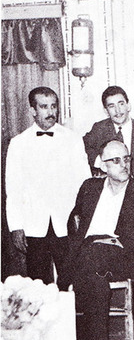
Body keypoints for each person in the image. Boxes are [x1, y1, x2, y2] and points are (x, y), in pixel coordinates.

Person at [59, 140, 134, 340]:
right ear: (103, 164)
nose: (124, 165)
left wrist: (116, 242)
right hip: (90, 257)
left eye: (126, 159)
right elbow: (74, 223)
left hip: (123, 256)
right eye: (115, 160)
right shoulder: (89, 187)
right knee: (94, 276)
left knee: (88, 261)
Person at [5, 86, 90, 284]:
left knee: (72, 281)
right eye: (44, 107)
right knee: (38, 283)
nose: (51, 112)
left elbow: (85, 183)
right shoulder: (18, 143)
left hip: (67, 223)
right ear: (33, 110)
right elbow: (14, 189)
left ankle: (71, 316)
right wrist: (16, 226)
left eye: (53, 106)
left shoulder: (73, 140)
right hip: (34, 224)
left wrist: (82, 218)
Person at [83, 85, 134, 185]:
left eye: (121, 104)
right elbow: (82, 149)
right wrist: (101, 163)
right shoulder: (99, 129)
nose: (117, 110)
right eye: (111, 106)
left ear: (128, 106)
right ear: (106, 111)